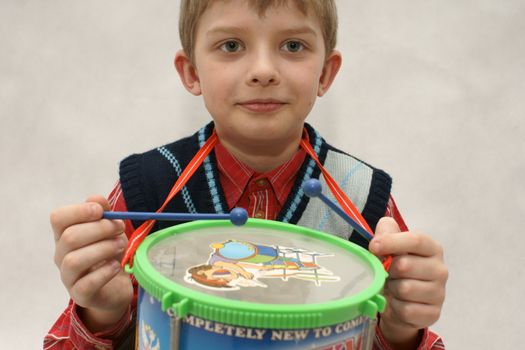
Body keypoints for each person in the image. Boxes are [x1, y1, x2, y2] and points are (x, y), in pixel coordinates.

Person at [44, 1, 448, 349]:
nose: (263, 70)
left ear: (325, 73)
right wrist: (102, 313)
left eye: (293, 45)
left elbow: (398, 327)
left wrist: (400, 330)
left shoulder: (360, 196)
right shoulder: (151, 185)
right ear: (192, 73)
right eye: (231, 45)